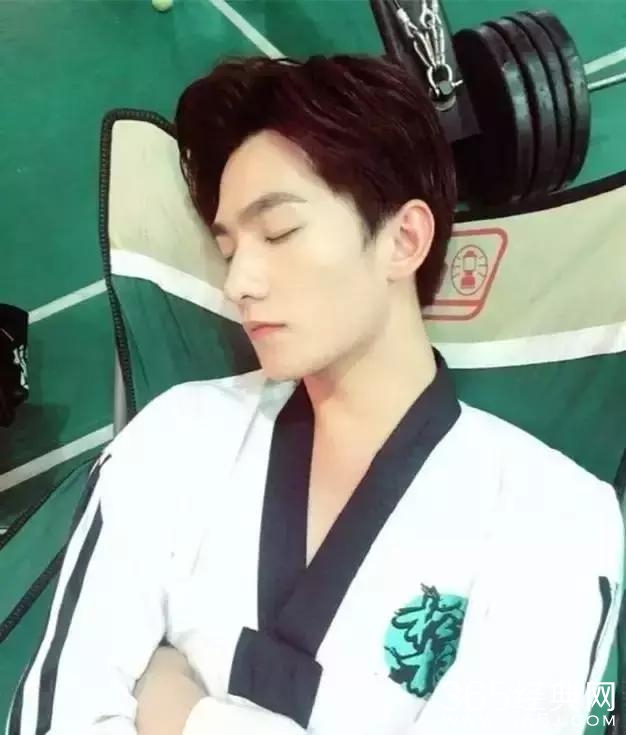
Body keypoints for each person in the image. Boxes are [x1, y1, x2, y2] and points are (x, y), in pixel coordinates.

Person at [9, 54, 623, 735]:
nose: (239, 281)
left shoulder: (556, 518)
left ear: (404, 240)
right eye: (228, 248)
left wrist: (182, 713)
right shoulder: (176, 436)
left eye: (279, 233)